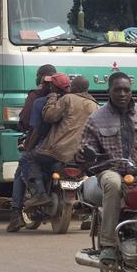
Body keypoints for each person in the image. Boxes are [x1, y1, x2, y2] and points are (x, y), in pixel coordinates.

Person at [80, 72, 137, 264]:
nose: (122, 94)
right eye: (117, 90)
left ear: (131, 91)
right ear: (109, 91)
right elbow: (86, 146)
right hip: (111, 169)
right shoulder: (96, 118)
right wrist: (88, 154)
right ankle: (108, 244)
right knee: (113, 184)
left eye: (126, 90)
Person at [23, 75, 97, 208]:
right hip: (80, 155)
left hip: (58, 152)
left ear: (75, 88)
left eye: (72, 85)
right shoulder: (95, 105)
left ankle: (40, 195)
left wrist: (51, 100)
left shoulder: (68, 99)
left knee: (29, 158)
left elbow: (49, 116)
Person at [7, 68, 56, 232]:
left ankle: (16, 215)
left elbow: (28, 122)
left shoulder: (36, 97)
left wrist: (28, 145)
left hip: (41, 144)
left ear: (41, 78)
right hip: (65, 147)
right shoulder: (66, 98)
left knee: (21, 170)